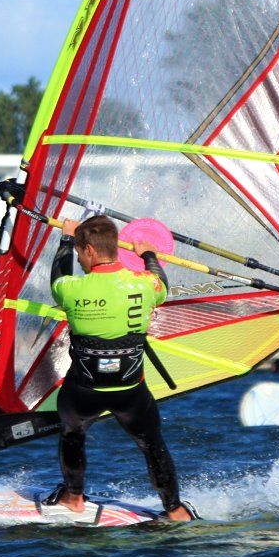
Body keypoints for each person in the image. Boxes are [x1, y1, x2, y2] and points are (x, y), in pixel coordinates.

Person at [44, 215, 197, 522]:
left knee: (72, 431)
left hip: (84, 391)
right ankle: (175, 509)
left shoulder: (71, 288)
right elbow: (161, 283)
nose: (77, 258)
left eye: (77, 251)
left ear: (89, 250)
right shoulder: (145, 285)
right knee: (152, 443)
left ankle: (73, 497)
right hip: (129, 390)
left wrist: (64, 238)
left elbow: (57, 279)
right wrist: (148, 255)